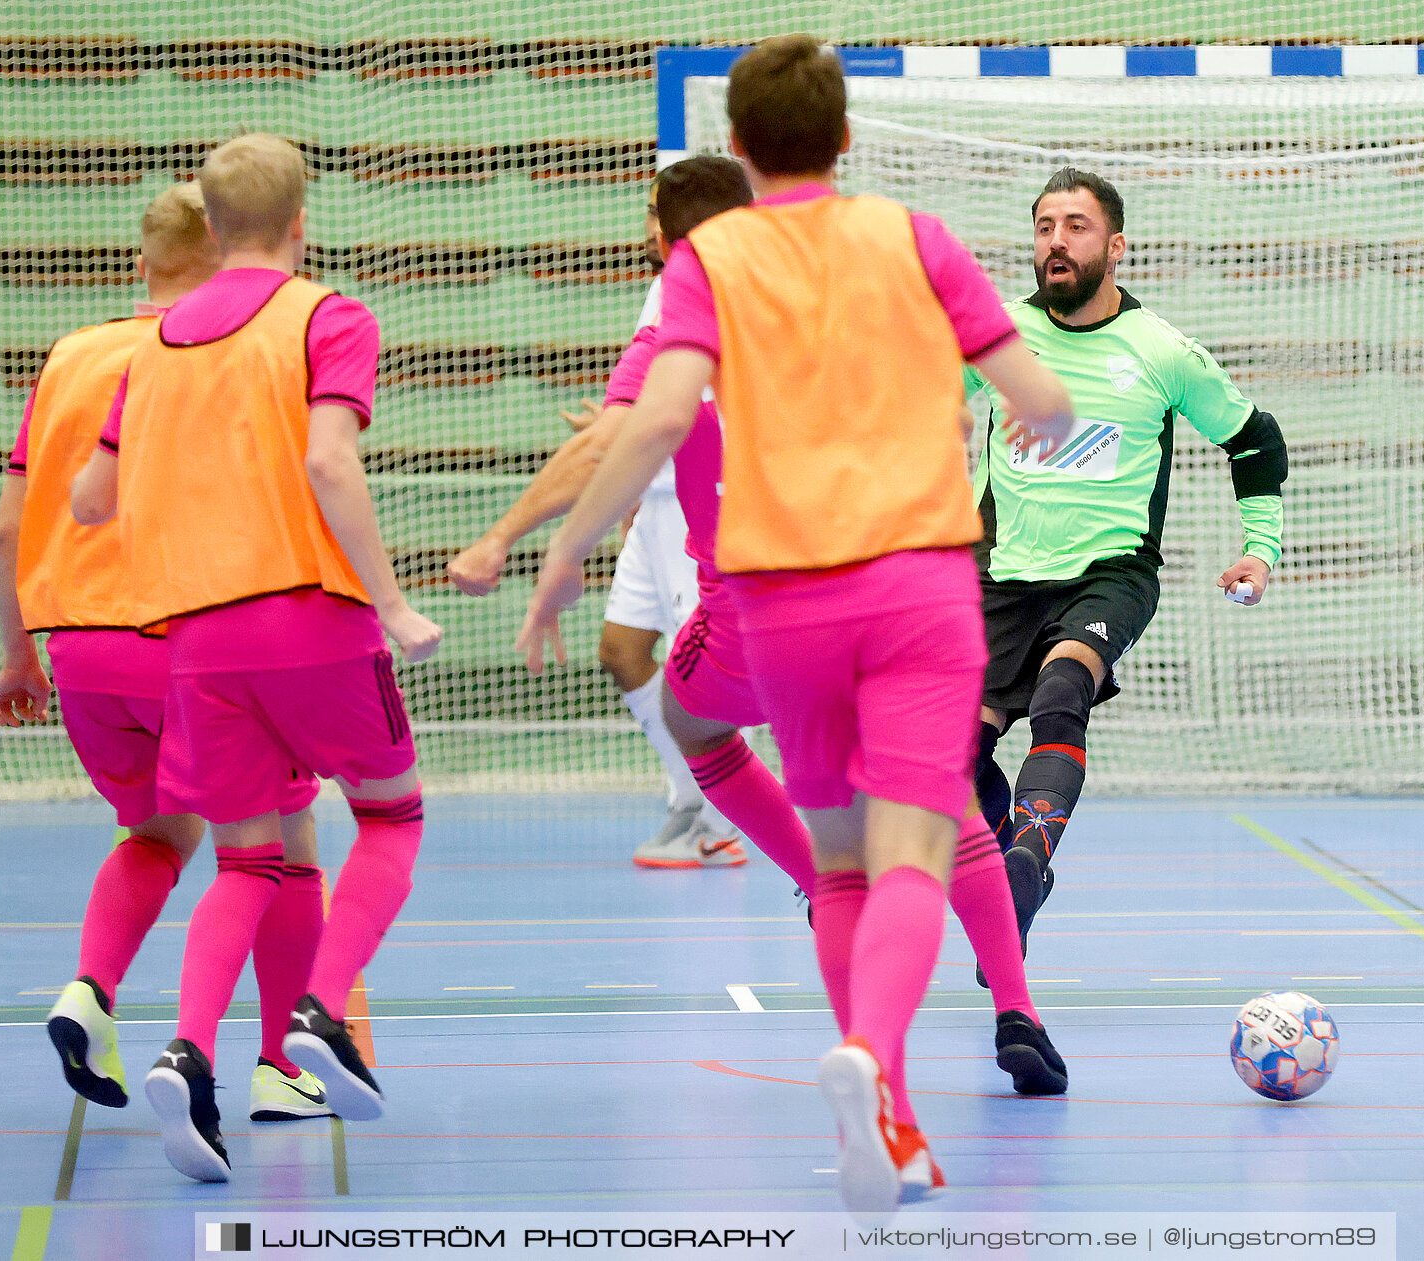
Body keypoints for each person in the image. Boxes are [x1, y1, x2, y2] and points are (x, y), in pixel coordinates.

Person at [516, 37, 1075, 1216]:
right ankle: (878, 1057)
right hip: (917, 591)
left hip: (780, 606)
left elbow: (659, 416)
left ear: (736, 144)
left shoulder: (708, 259)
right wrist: (1041, 416)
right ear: (847, 138)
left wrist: (564, 555)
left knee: (836, 866)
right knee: (920, 842)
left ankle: (895, 1115)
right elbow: (1039, 393)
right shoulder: (912, 237)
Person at [71, 134, 441, 1182]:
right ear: (298, 223)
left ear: (214, 229)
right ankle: (321, 1009)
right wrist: (395, 601)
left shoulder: (153, 344)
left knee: (244, 858)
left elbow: (90, 501)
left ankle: (189, 1053)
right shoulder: (328, 314)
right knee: (390, 813)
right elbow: (328, 456)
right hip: (310, 620)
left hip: (198, 643)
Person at [0, 181, 332, 1126]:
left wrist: (18, 656)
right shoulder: (230, 351)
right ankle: (269, 1064)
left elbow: (9, 525)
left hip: (81, 656)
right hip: (194, 643)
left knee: (155, 833)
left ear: (142, 263)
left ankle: (90, 991)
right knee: (280, 847)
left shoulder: (70, 355)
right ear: (233, 253)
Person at [967, 167, 1287, 958]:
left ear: (1114, 246)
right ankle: (1014, 870)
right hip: (998, 574)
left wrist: (1260, 546)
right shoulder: (996, 335)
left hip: (1110, 571)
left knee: (1062, 687)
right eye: (1044, 226)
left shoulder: (1160, 351)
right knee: (951, 757)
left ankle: (1030, 859)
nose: (1055, 241)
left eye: (1074, 226)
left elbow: (1254, 439)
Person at [449, 194, 744, 870]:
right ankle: (693, 801)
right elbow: (647, 408)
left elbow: (650, 420)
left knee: (702, 674)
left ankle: (716, 817)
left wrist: (503, 537)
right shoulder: (663, 289)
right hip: (658, 490)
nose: (644, 222)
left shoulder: (698, 293)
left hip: (695, 505)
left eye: (653, 210)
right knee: (620, 649)